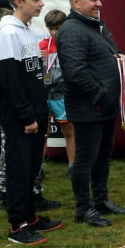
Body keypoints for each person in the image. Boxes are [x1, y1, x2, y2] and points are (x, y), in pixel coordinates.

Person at [0, 0, 63, 245]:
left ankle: (31, 216)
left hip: (35, 111)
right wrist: (26, 116)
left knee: (33, 166)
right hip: (20, 116)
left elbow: (34, 76)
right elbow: (11, 81)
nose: (42, 3)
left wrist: (39, 110)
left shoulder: (27, 28)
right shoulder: (8, 31)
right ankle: (17, 225)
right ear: (19, 1)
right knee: (19, 168)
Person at [56, 0, 125, 228]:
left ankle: (100, 200)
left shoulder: (94, 25)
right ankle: (83, 209)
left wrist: (116, 56)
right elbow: (75, 71)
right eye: (93, 0)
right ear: (76, 2)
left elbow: (100, 55)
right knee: (85, 159)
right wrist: (100, 94)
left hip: (104, 107)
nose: (100, 3)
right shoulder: (72, 30)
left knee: (103, 155)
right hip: (89, 108)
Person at [40, 11, 76, 175]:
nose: (54, 33)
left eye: (57, 29)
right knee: (42, 132)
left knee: (68, 130)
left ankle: (72, 165)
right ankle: (38, 168)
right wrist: (36, 57)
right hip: (44, 93)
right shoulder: (41, 45)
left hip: (62, 94)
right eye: (51, 29)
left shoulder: (69, 44)